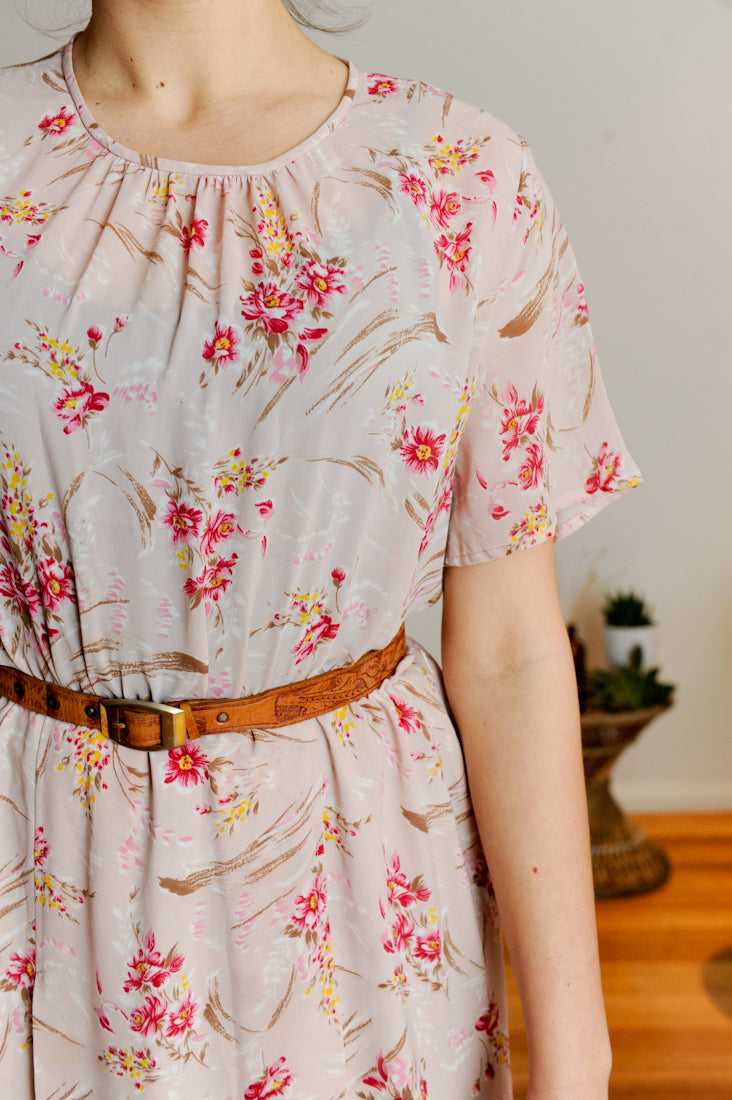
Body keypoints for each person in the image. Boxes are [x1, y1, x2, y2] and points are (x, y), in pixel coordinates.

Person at [0, 1, 641, 1097]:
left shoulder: (463, 177)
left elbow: (511, 655)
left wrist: (577, 1056)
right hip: (31, 879)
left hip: (357, 904)